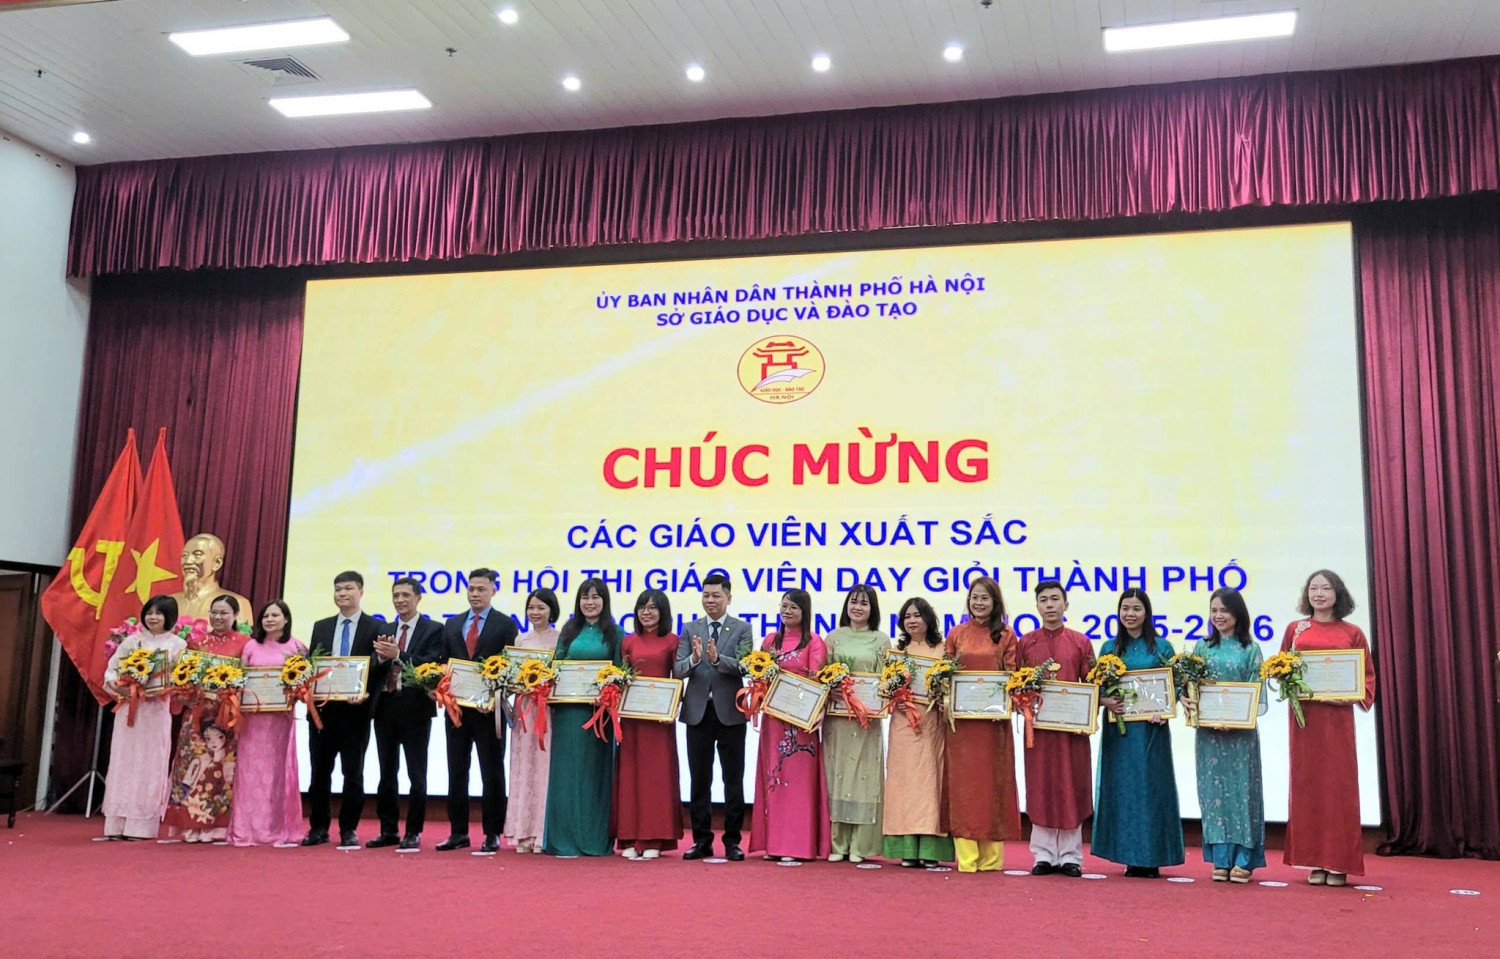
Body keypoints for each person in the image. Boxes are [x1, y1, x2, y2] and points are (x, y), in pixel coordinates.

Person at [1281, 569, 1376, 886]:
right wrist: (1287, 681)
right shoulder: (1295, 630)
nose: (1319, 594)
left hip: (1337, 722)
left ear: (1338, 593)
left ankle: (1338, 862)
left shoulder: (1353, 632)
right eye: (1313, 588)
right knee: (1307, 786)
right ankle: (1314, 860)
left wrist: (1351, 695)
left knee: (1338, 788)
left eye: (1325, 588)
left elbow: (1367, 676)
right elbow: (1282, 668)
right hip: (1305, 721)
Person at [1091, 588, 1185, 877]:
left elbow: (1176, 684)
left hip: (1150, 731)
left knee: (1151, 790)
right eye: (1125, 608)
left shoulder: (1162, 647)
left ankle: (1152, 856)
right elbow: (1097, 686)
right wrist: (1105, 700)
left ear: (1147, 613)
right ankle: (1128, 855)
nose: (1130, 614)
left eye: (1136, 609)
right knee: (1124, 790)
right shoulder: (1109, 648)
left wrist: (1165, 708)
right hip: (1119, 734)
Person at [1184, 587, 1267, 883]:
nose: (1218, 616)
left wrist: (1235, 720)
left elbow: (1257, 691)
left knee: (1243, 793)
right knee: (1214, 794)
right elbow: (1190, 685)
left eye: (1224, 610)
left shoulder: (1251, 649)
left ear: (1238, 613)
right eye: (1214, 610)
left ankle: (1244, 859)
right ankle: (1221, 859)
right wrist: (1186, 699)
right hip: (1209, 736)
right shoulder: (1202, 647)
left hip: (1241, 736)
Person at [303, 570, 389, 849]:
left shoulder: (376, 626)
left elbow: (381, 667)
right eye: (338, 589)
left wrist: (365, 693)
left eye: (348, 588)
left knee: (353, 774)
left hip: (356, 713)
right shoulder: (321, 626)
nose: (342, 593)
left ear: (360, 591)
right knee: (319, 772)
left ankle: (349, 828)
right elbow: (314, 664)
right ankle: (318, 828)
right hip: (323, 711)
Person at [436, 567, 518, 854]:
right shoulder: (453, 623)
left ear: (494, 590)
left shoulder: (505, 624)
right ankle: (458, 832)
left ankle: (492, 833)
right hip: (456, 710)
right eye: (471, 589)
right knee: (456, 771)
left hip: (488, 711)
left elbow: (510, 667)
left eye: (481, 589)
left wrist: (497, 692)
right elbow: (444, 661)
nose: (475, 594)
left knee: (492, 772)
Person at [1018, 579, 1096, 877]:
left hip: (1071, 732)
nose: (1049, 605)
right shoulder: (1026, 643)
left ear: (1066, 604)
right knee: (1041, 786)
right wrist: (1021, 702)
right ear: (1037, 606)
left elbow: (1093, 686)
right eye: (1044, 600)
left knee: (1072, 785)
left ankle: (1071, 856)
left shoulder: (1080, 642)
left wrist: (1087, 714)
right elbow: (1016, 684)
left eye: (1055, 599)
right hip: (1038, 731)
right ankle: (1043, 854)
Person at [673, 572, 754, 861]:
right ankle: (701, 840)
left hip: (731, 712)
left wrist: (719, 659)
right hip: (698, 713)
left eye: (716, 595)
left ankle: (732, 841)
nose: (710, 600)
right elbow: (678, 669)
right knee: (699, 780)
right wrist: (695, 659)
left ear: (728, 598)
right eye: (706, 595)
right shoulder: (690, 628)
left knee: (733, 779)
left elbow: (746, 666)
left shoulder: (742, 628)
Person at [943, 577, 1021, 873]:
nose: (978, 603)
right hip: (962, 726)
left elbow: (1012, 675)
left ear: (995, 602)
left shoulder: (1007, 635)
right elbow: (945, 672)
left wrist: (1005, 702)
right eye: (974, 597)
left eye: (985, 598)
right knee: (964, 788)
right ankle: (967, 858)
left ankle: (991, 858)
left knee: (992, 786)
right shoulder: (956, 633)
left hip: (993, 725)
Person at [748, 589, 831, 862]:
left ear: (804, 612)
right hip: (774, 722)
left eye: (793, 607)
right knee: (775, 780)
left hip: (801, 724)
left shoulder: (815, 642)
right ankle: (774, 844)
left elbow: (818, 681)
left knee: (798, 785)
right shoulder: (770, 640)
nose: (787, 611)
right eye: (784, 606)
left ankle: (797, 846)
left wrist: (816, 711)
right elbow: (761, 677)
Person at [543, 578, 622, 856]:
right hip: (567, 713)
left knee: (593, 775)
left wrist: (609, 689)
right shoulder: (569, 629)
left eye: (595, 597)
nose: (590, 602)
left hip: (598, 716)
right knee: (566, 775)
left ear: (604, 601)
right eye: (585, 597)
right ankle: (562, 839)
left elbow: (619, 671)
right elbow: (555, 666)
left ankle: (593, 838)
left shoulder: (615, 632)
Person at [164, 594, 250, 841]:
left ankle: (218, 827)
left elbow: (249, 679)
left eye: (224, 613)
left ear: (235, 616)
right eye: (214, 612)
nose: (218, 617)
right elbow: (182, 677)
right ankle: (190, 825)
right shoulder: (195, 643)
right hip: (197, 714)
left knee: (221, 768)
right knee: (192, 763)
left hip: (227, 717)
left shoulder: (245, 644)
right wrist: (186, 695)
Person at [367, 576, 444, 851]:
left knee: (416, 774)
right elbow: (371, 668)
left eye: (405, 595)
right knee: (386, 772)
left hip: (415, 709)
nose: (400, 600)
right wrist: (380, 658)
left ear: (418, 598)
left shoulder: (434, 629)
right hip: (385, 707)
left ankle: (413, 831)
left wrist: (399, 654)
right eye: (396, 595)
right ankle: (388, 830)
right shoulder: (384, 628)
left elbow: (431, 665)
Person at [100, 595, 187, 840]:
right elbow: (111, 671)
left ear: (169, 617)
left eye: (159, 613)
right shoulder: (132, 642)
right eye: (149, 612)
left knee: (150, 762)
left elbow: (181, 679)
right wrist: (119, 688)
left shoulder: (178, 645)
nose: (153, 617)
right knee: (123, 761)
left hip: (156, 712)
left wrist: (167, 688)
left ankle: (142, 827)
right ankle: (116, 824)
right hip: (129, 710)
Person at [612, 588, 684, 858]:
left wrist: (673, 702)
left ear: (663, 612)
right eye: (642, 607)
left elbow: (679, 679)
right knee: (630, 775)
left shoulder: (673, 641)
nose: (647, 612)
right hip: (631, 719)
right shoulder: (627, 641)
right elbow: (621, 675)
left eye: (653, 607)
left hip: (659, 721)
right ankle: (629, 837)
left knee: (656, 777)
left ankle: (654, 837)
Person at [883, 597, 955, 867]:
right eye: (907, 616)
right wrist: (895, 697)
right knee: (903, 783)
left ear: (928, 618)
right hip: (903, 723)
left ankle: (931, 848)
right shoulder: (897, 652)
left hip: (932, 724)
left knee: (930, 782)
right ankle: (907, 849)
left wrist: (943, 696)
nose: (912, 620)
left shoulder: (943, 650)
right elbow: (884, 689)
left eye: (917, 615)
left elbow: (952, 685)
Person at [226, 600, 305, 847]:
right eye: (266, 616)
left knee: (277, 773)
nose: (270, 619)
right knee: (249, 773)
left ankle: (277, 827)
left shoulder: (297, 647)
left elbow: (304, 682)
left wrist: (296, 692)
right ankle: (245, 828)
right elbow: (240, 679)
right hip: (252, 720)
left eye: (275, 615)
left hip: (279, 721)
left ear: (286, 619)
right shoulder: (251, 646)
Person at [823, 584, 888, 863]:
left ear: (872, 609)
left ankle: (861, 845)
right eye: (853, 602)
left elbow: (887, 680)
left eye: (864, 603)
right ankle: (837, 844)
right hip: (837, 720)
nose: (857, 607)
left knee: (864, 777)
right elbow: (822, 675)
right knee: (837, 774)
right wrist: (830, 690)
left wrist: (878, 697)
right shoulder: (833, 638)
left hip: (866, 720)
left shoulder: (880, 640)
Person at [504, 587, 561, 853]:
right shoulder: (520, 639)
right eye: (531, 607)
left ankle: (541, 833)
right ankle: (522, 833)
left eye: (541, 607)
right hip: (524, 711)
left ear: (552, 610)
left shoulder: (560, 640)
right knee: (523, 767)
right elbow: (512, 676)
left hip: (547, 711)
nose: (535, 612)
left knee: (545, 768)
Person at [169, 533, 252, 626]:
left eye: (197, 555)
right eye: (185, 556)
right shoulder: (169, 603)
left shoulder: (238, 603)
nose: (188, 561)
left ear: (217, 563)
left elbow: (241, 634)